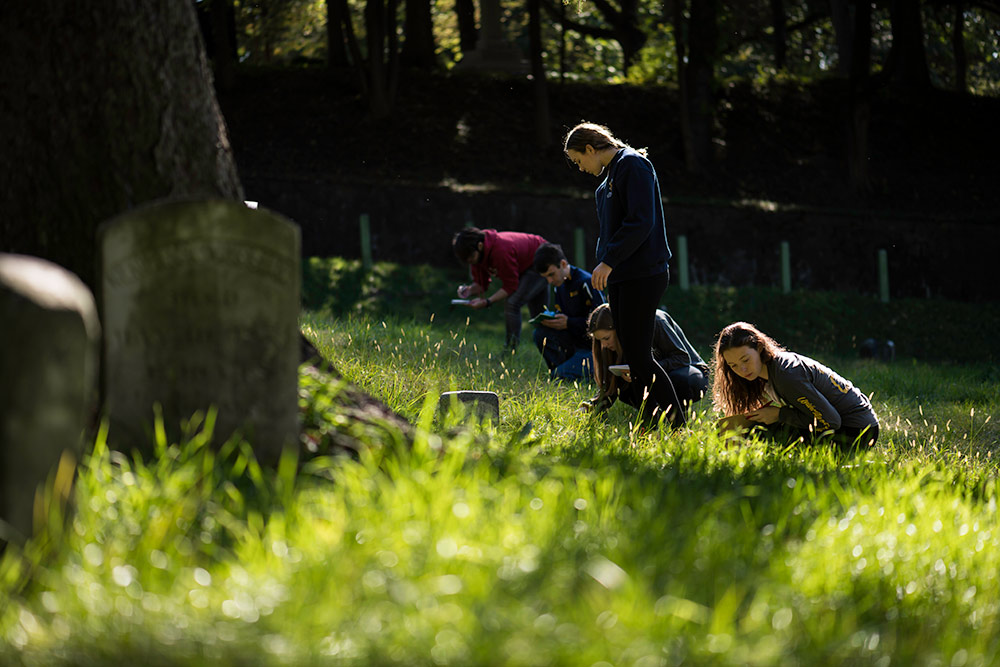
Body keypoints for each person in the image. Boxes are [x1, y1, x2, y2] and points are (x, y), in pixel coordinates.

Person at [564, 122, 685, 427]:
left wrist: (609, 262)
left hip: (644, 274)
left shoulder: (633, 165)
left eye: (579, 160)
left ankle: (678, 425)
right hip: (621, 276)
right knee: (632, 355)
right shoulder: (606, 182)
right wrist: (606, 263)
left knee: (640, 355)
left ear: (591, 149)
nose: (580, 168)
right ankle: (650, 421)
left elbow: (640, 222)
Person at [712, 321, 880, 450]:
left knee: (756, 432)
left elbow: (831, 421)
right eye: (733, 366)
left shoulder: (786, 374)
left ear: (760, 347)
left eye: (745, 360)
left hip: (857, 433)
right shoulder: (766, 371)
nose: (741, 369)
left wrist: (779, 415)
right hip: (852, 427)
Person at [582, 303, 709, 421]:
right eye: (600, 341)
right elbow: (611, 383)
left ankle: (678, 415)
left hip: (687, 371)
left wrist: (646, 369)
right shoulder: (612, 346)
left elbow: (682, 358)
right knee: (624, 387)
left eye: (606, 338)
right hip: (651, 377)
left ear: (619, 329)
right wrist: (594, 405)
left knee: (680, 380)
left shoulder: (656, 321)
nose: (604, 345)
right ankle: (655, 416)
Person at [453, 227, 548, 350]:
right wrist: (469, 290)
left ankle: (510, 351)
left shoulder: (500, 250)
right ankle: (553, 350)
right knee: (539, 317)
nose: (469, 261)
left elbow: (511, 286)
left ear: (480, 246)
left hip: (541, 259)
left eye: (470, 257)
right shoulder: (477, 257)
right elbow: (481, 285)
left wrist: (488, 302)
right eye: (466, 260)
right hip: (526, 265)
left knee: (512, 303)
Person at [531, 242, 605, 381]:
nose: (549, 280)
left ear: (563, 264)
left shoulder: (586, 282)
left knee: (559, 375)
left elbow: (603, 322)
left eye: (551, 274)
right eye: (546, 277)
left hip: (593, 349)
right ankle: (563, 370)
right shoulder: (559, 287)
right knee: (540, 333)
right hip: (574, 344)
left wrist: (569, 323)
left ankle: (575, 373)